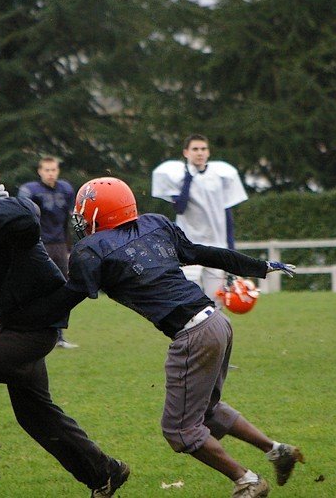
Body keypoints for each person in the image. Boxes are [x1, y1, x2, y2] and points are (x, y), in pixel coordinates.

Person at [51, 176, 302, 498]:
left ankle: (247, 481)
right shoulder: (154, 225)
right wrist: (259, 266)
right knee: (206, 410)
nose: (81, 219)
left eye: (85, 212)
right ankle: (277, 450)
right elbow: (203, 253)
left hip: (193, 333)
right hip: (216, 322)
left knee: (180, 431)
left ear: (99, 213)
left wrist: (17, 319)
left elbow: (67, 297)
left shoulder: (92, 249)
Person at [0, 153, 128, 498]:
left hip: (31, 330)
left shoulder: (6, 210)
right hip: (13, 329)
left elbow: (26, 214)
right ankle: (105, 473)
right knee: (36, 416)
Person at [152, 134, 248, 304]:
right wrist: (189, 178)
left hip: (216, 245)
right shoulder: (178, 176)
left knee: (217, 301)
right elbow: (180, 207)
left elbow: (227, 216)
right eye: (195, 149)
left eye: (203, 149)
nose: (199, 153)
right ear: (186, 153)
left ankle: (217, 331)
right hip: (189, 246)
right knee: (190, 300)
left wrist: (231, 251)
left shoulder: (220, 176)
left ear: (209, 152)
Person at [17, 156, 79, 349]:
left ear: (58, 170)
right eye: (47, 170)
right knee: (35, 287)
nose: (50, 173)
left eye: (53, 169)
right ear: (39, 171)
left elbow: (70, 219)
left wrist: (69, 247)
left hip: (59, 245)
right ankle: (31, 330)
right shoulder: (30, 190)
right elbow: (25, 218)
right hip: (38, 244)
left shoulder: (66, 189)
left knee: (62, 289)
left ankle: (58, 334)